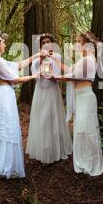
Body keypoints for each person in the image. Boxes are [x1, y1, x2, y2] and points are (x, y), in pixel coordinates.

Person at [0, 32, 46, 182]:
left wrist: (36, 56)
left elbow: (17, 66)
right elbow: (15, 78)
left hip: (6, 96)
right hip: (3, 97)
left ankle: (8, 166)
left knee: (8, 128)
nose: (5, 45)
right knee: (3, 128)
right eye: (3, 43)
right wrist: (35, 76)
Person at [49, 31, 103, 176]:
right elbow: (70, 70)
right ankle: (85, 160)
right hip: (82, 97)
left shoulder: (88, 59)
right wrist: (55, 60)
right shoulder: (85, 59)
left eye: (78, 42)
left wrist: (57, 77)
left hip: (86, 97)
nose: (76, 44)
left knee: (86, 129)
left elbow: (74, 76)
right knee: (82, 129)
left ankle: (89, 162)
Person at [26, 33, 73, 164]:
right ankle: (44, 149)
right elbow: (34, 73)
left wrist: (53, 76)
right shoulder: (37, 58)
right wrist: (41, 60)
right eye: (43, 42)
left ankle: (55, 149)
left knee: (52, 118)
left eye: (48, 42)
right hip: (40, 91)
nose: (46, 44)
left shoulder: (57, 56)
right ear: (40, 45)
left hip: (52, 90)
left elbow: (59, 74)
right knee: (41, 119)